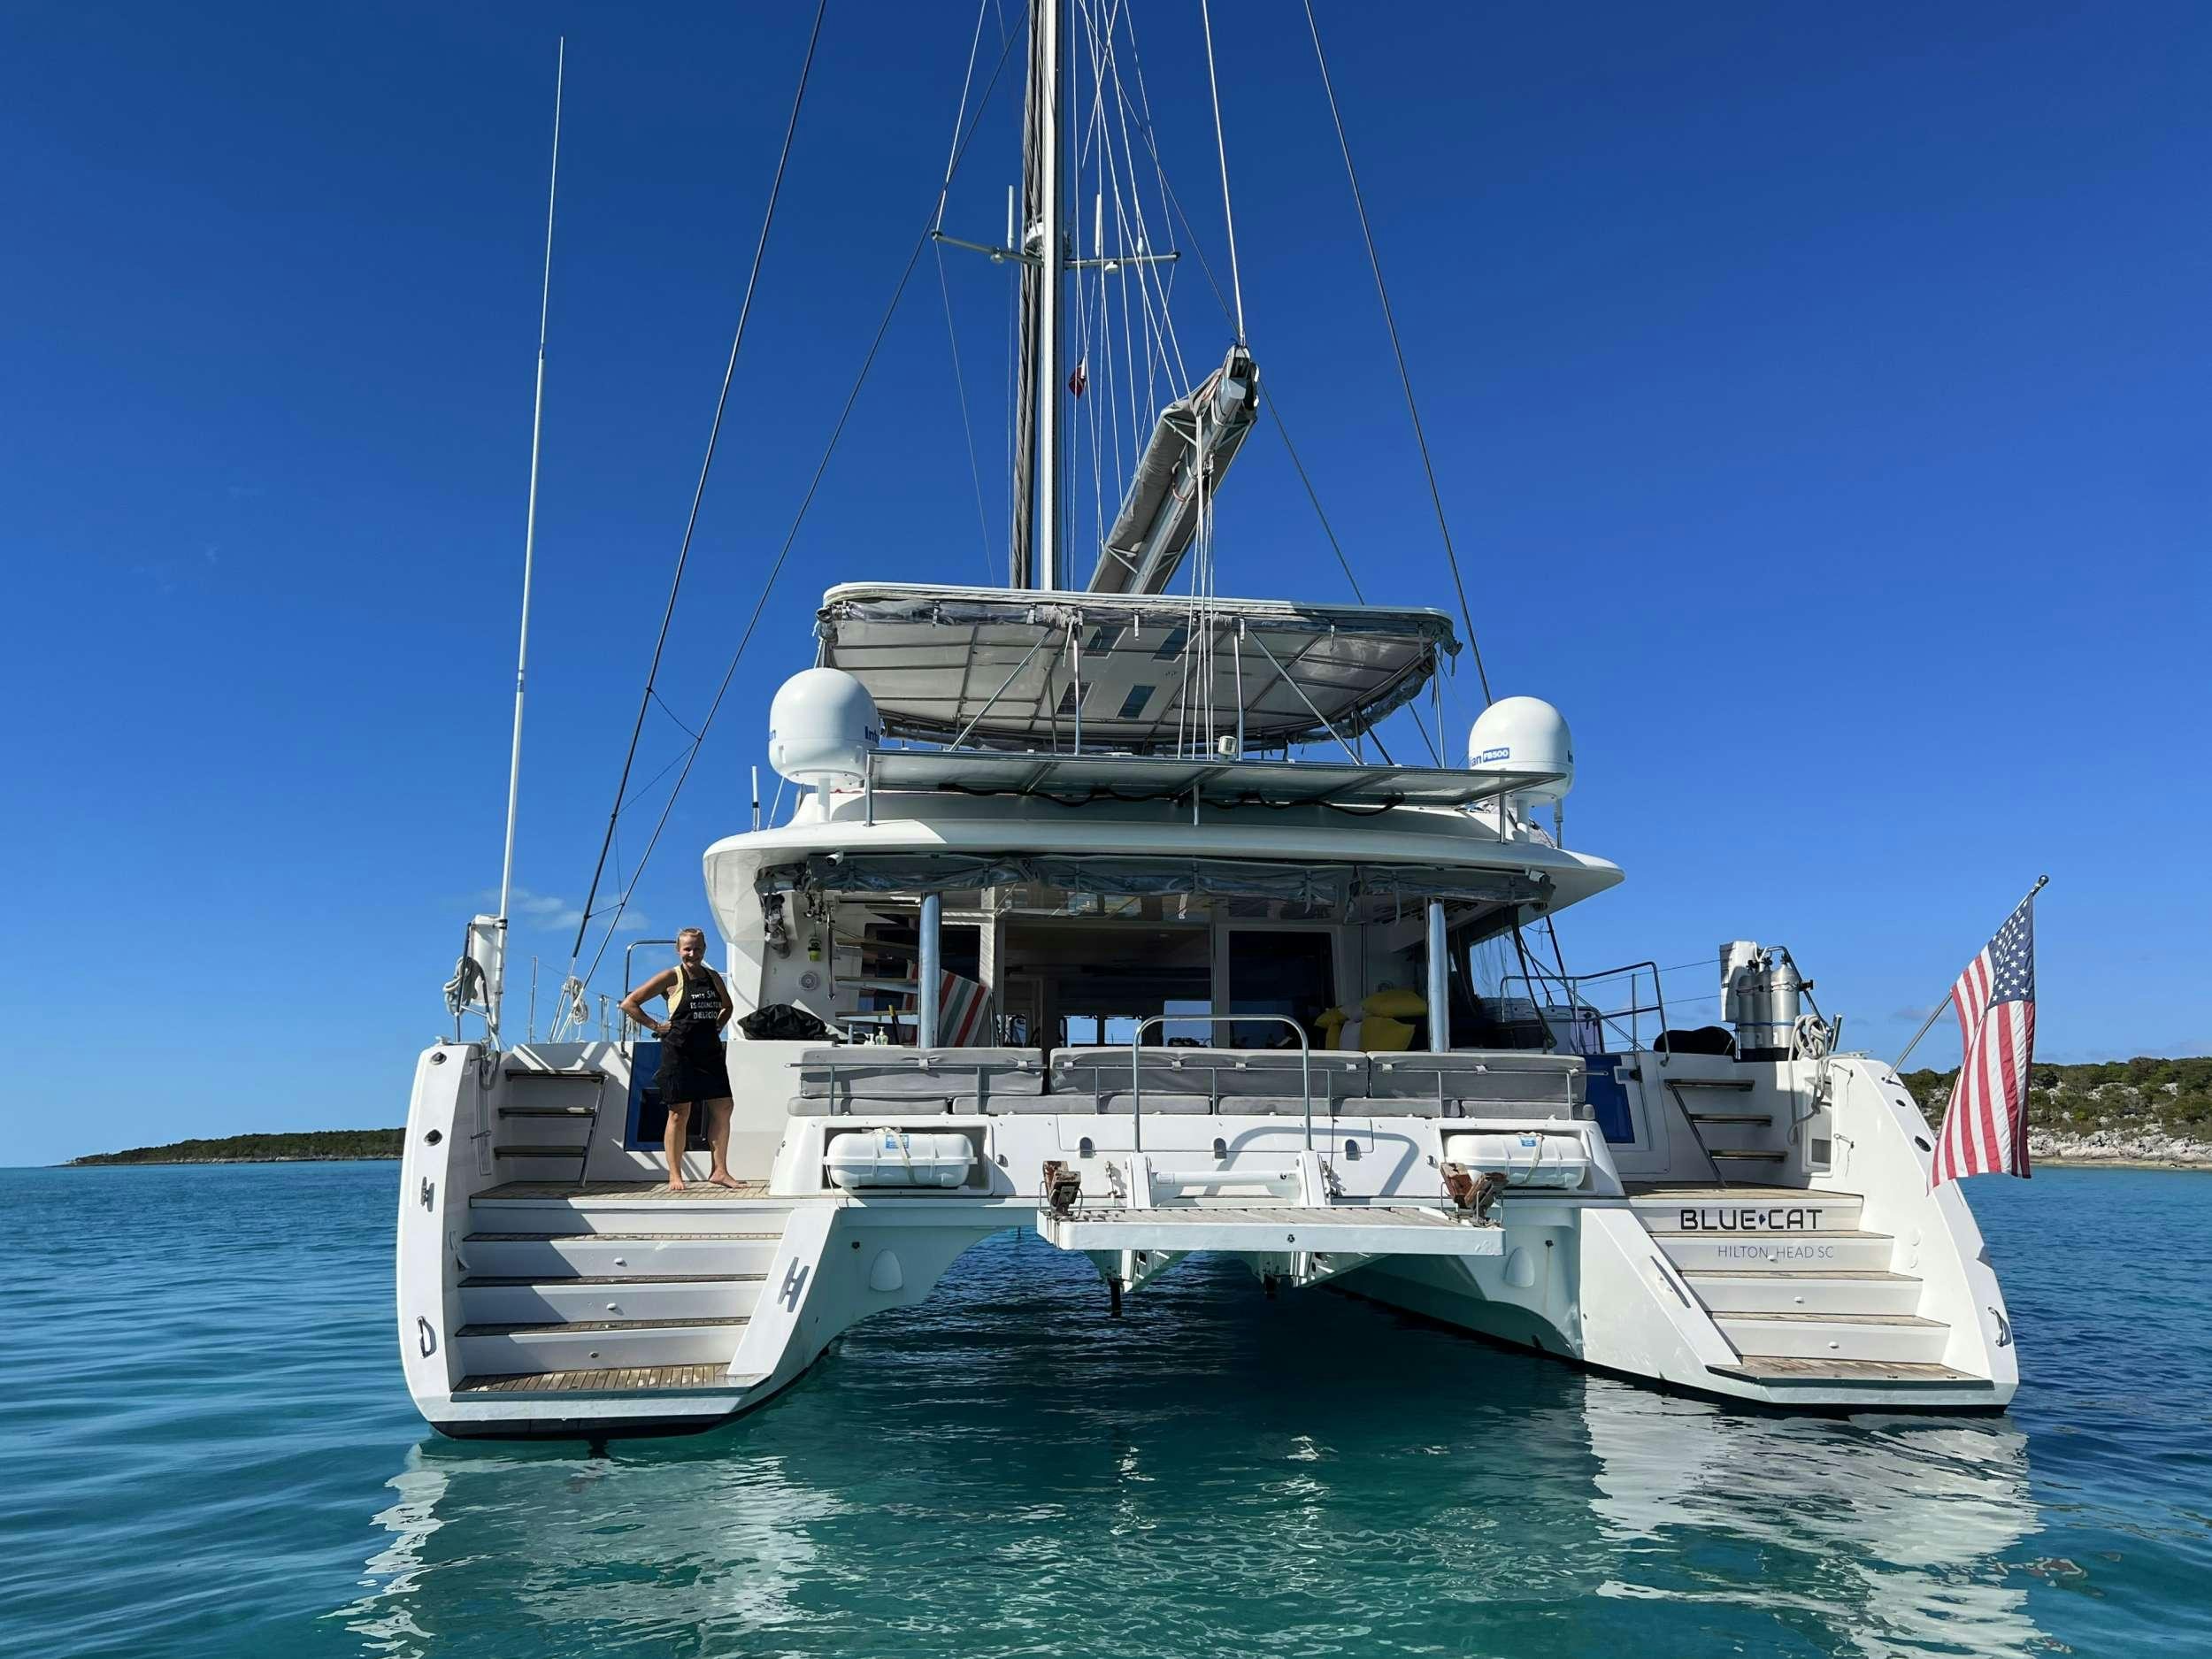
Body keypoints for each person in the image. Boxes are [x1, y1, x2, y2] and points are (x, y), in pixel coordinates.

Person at [619, 928, 739, 1190]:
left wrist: (717, 1026)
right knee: (678, 1113)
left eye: (697, 948)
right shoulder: (670, 977)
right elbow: (630, 1003)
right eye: (687, 948)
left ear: (705, 949)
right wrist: (655, 1025)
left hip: (710, 1052)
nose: (692, 953)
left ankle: (719, 1171)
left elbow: (727, 1007)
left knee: (724, 1108)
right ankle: (675, 1175)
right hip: (679, 1052)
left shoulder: (713, 977)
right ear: (678, 950)